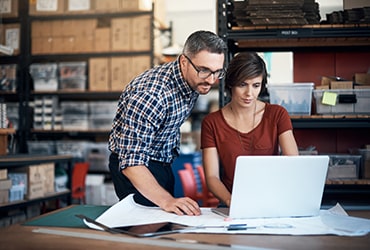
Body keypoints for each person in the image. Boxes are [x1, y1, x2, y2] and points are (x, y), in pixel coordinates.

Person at [108, 30, 227, 216]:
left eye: (217, 72)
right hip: (137, 168)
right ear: (184, 62)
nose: (211, 80)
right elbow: (131, 162)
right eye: (204, 70)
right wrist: (167, 200)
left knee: (166, 224)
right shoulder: (151, 95)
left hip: (163, 162)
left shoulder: (194, 79)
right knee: (145, 231)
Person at [201, 52, 299, 207]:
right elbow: (212, 177)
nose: (249, 93)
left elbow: (293, 164)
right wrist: (230, 201)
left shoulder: (277, 115)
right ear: (231, 84)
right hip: (231, 203)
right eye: (242, 85)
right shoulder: (212, 123)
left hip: (273, 201)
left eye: (256, 85)